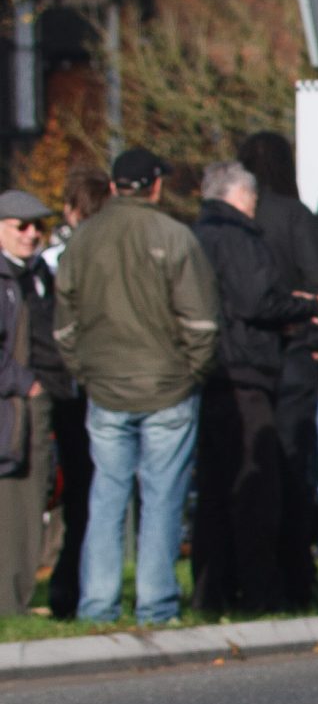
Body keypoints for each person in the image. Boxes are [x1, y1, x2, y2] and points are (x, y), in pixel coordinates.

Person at [53, 148, 220, 625]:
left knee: (106, 497)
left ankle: (99, 605)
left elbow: (65, 321)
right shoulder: (173, 236)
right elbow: (203, 321)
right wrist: (193, 373)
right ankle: (156, 603)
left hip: (106, 388)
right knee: (163, 499)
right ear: (155, 186)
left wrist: (83, 370)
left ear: (113, 186)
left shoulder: (83, 240)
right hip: (167, 386)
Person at [189, 161, 318, 614]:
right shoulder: (239, 237)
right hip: (246, 371)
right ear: (241, 196)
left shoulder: (196, 235)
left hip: (211, 372)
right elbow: (255, 300)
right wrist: (313, 307)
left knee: (215, 491)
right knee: (256, 487)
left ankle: (211, 592)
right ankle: (261, 592)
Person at [235, 130, 318, 608]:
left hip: (246, 361)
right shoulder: (297, 217)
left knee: (250, 468)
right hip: (294, 355)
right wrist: (317, 347)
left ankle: (251, 575)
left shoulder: (236, 221)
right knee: (294, 468)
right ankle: (294, 573)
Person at [39, 167, 108, 617]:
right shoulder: (116, 250)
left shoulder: (52, 259)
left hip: (67, 385)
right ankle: (80, 585)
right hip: (106, 382)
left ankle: (70, 587)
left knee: (78, 491)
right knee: (98, 491)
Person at [0, 190, 57, 612]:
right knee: (15, 505)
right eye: (21, 226)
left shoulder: (38, 273)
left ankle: (22, 599)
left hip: (45, 398)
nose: (32, 234)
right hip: (16, 405)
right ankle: (10, 604)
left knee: (36, 500)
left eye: (38, 226)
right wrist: (25, 383)